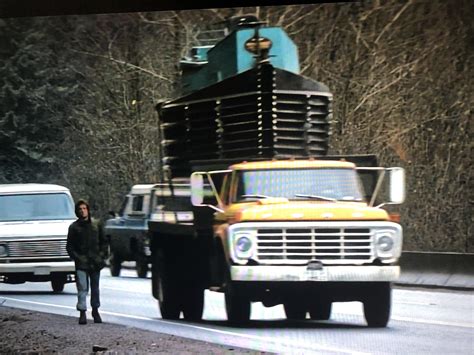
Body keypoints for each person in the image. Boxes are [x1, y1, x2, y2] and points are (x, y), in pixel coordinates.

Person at [66, 199, 108, 325]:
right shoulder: (74, 227)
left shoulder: (96, 224)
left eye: (84, 208)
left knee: (95, 288)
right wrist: (77, 258)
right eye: (80, 209)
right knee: (82, 288)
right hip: (81, 263)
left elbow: (104, 242)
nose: (82, 211)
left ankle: (95, 310)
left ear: (88, 210)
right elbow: (70, 246)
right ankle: (82, 312)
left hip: (95, 262)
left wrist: (102, 257)